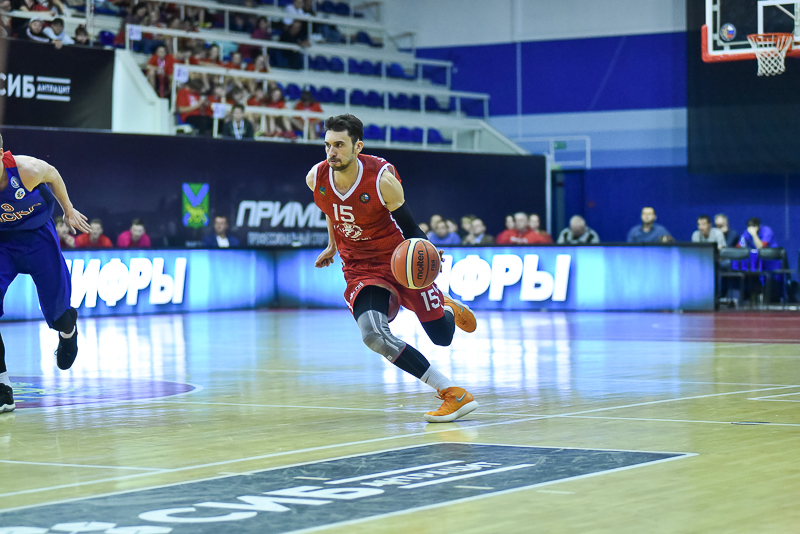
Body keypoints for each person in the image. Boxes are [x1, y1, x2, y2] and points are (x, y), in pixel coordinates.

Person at [307, 114, 478, 423]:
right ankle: (451, 393)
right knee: (374, 335)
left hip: (399, 262)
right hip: (360, 267)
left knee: (442, 337)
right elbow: (331, 210)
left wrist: (427, 254)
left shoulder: (382, 180)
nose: (332, 152)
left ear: (358, 146)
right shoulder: (315, 178)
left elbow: (410, 227)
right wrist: (332, 245)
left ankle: (447, 308)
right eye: (327, 145)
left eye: (339, 145)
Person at [0, 134, 91, 412]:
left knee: (60, 316)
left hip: (37, 236)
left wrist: (68, 208)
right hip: (2, 242)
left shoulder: (25, 170)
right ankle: (2, 387)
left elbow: (52, 173)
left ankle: (68, 334)